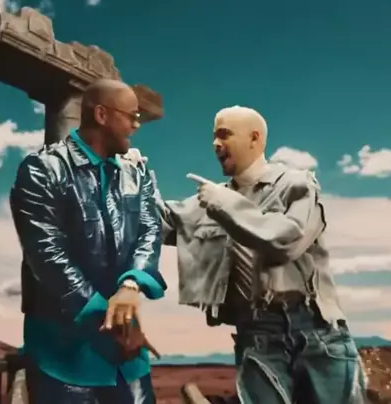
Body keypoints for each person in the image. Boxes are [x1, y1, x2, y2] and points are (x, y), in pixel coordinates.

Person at [144, 106, 366, 403]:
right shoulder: (205, 202)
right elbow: (150, 223)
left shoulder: (295, 185)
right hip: (257, 333)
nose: (216, 144)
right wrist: (131, 177)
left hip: (316, 330)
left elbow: (286, 243)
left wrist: (224, 204)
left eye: (224, 134)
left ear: (254, 138)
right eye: (214, 137)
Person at [11, 78, 166, 404]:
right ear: (101, 115)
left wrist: (132, 284)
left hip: (127, 354)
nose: (136, 126)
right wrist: (113, 322)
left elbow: (151, 229)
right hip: (64, 354)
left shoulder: (136, 172)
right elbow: (46, 253)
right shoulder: (42, 169)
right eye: (132, 116)